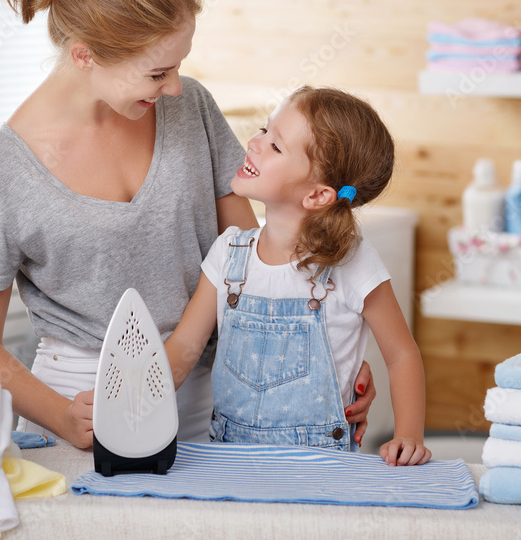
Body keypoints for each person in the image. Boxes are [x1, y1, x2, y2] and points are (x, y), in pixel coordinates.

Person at [0, 0, 377, 450]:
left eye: (178, 64)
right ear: (84, 55)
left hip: (223, 394)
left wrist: (325, 361)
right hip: (79, 404)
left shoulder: (188, 107)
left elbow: (257, 264)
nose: (174, 86)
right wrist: (64, 417)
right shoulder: (1, 176)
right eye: (157, 72)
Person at [165, 86, 431, 466]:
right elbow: (184, 349)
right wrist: (132, 401)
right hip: (229, 463)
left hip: (322, 468)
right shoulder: (228, 253)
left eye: (276, 147)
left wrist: (408, 436)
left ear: (318, 196)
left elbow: (402, 354)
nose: (255, 143)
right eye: (263, 130)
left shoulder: (353, 262)